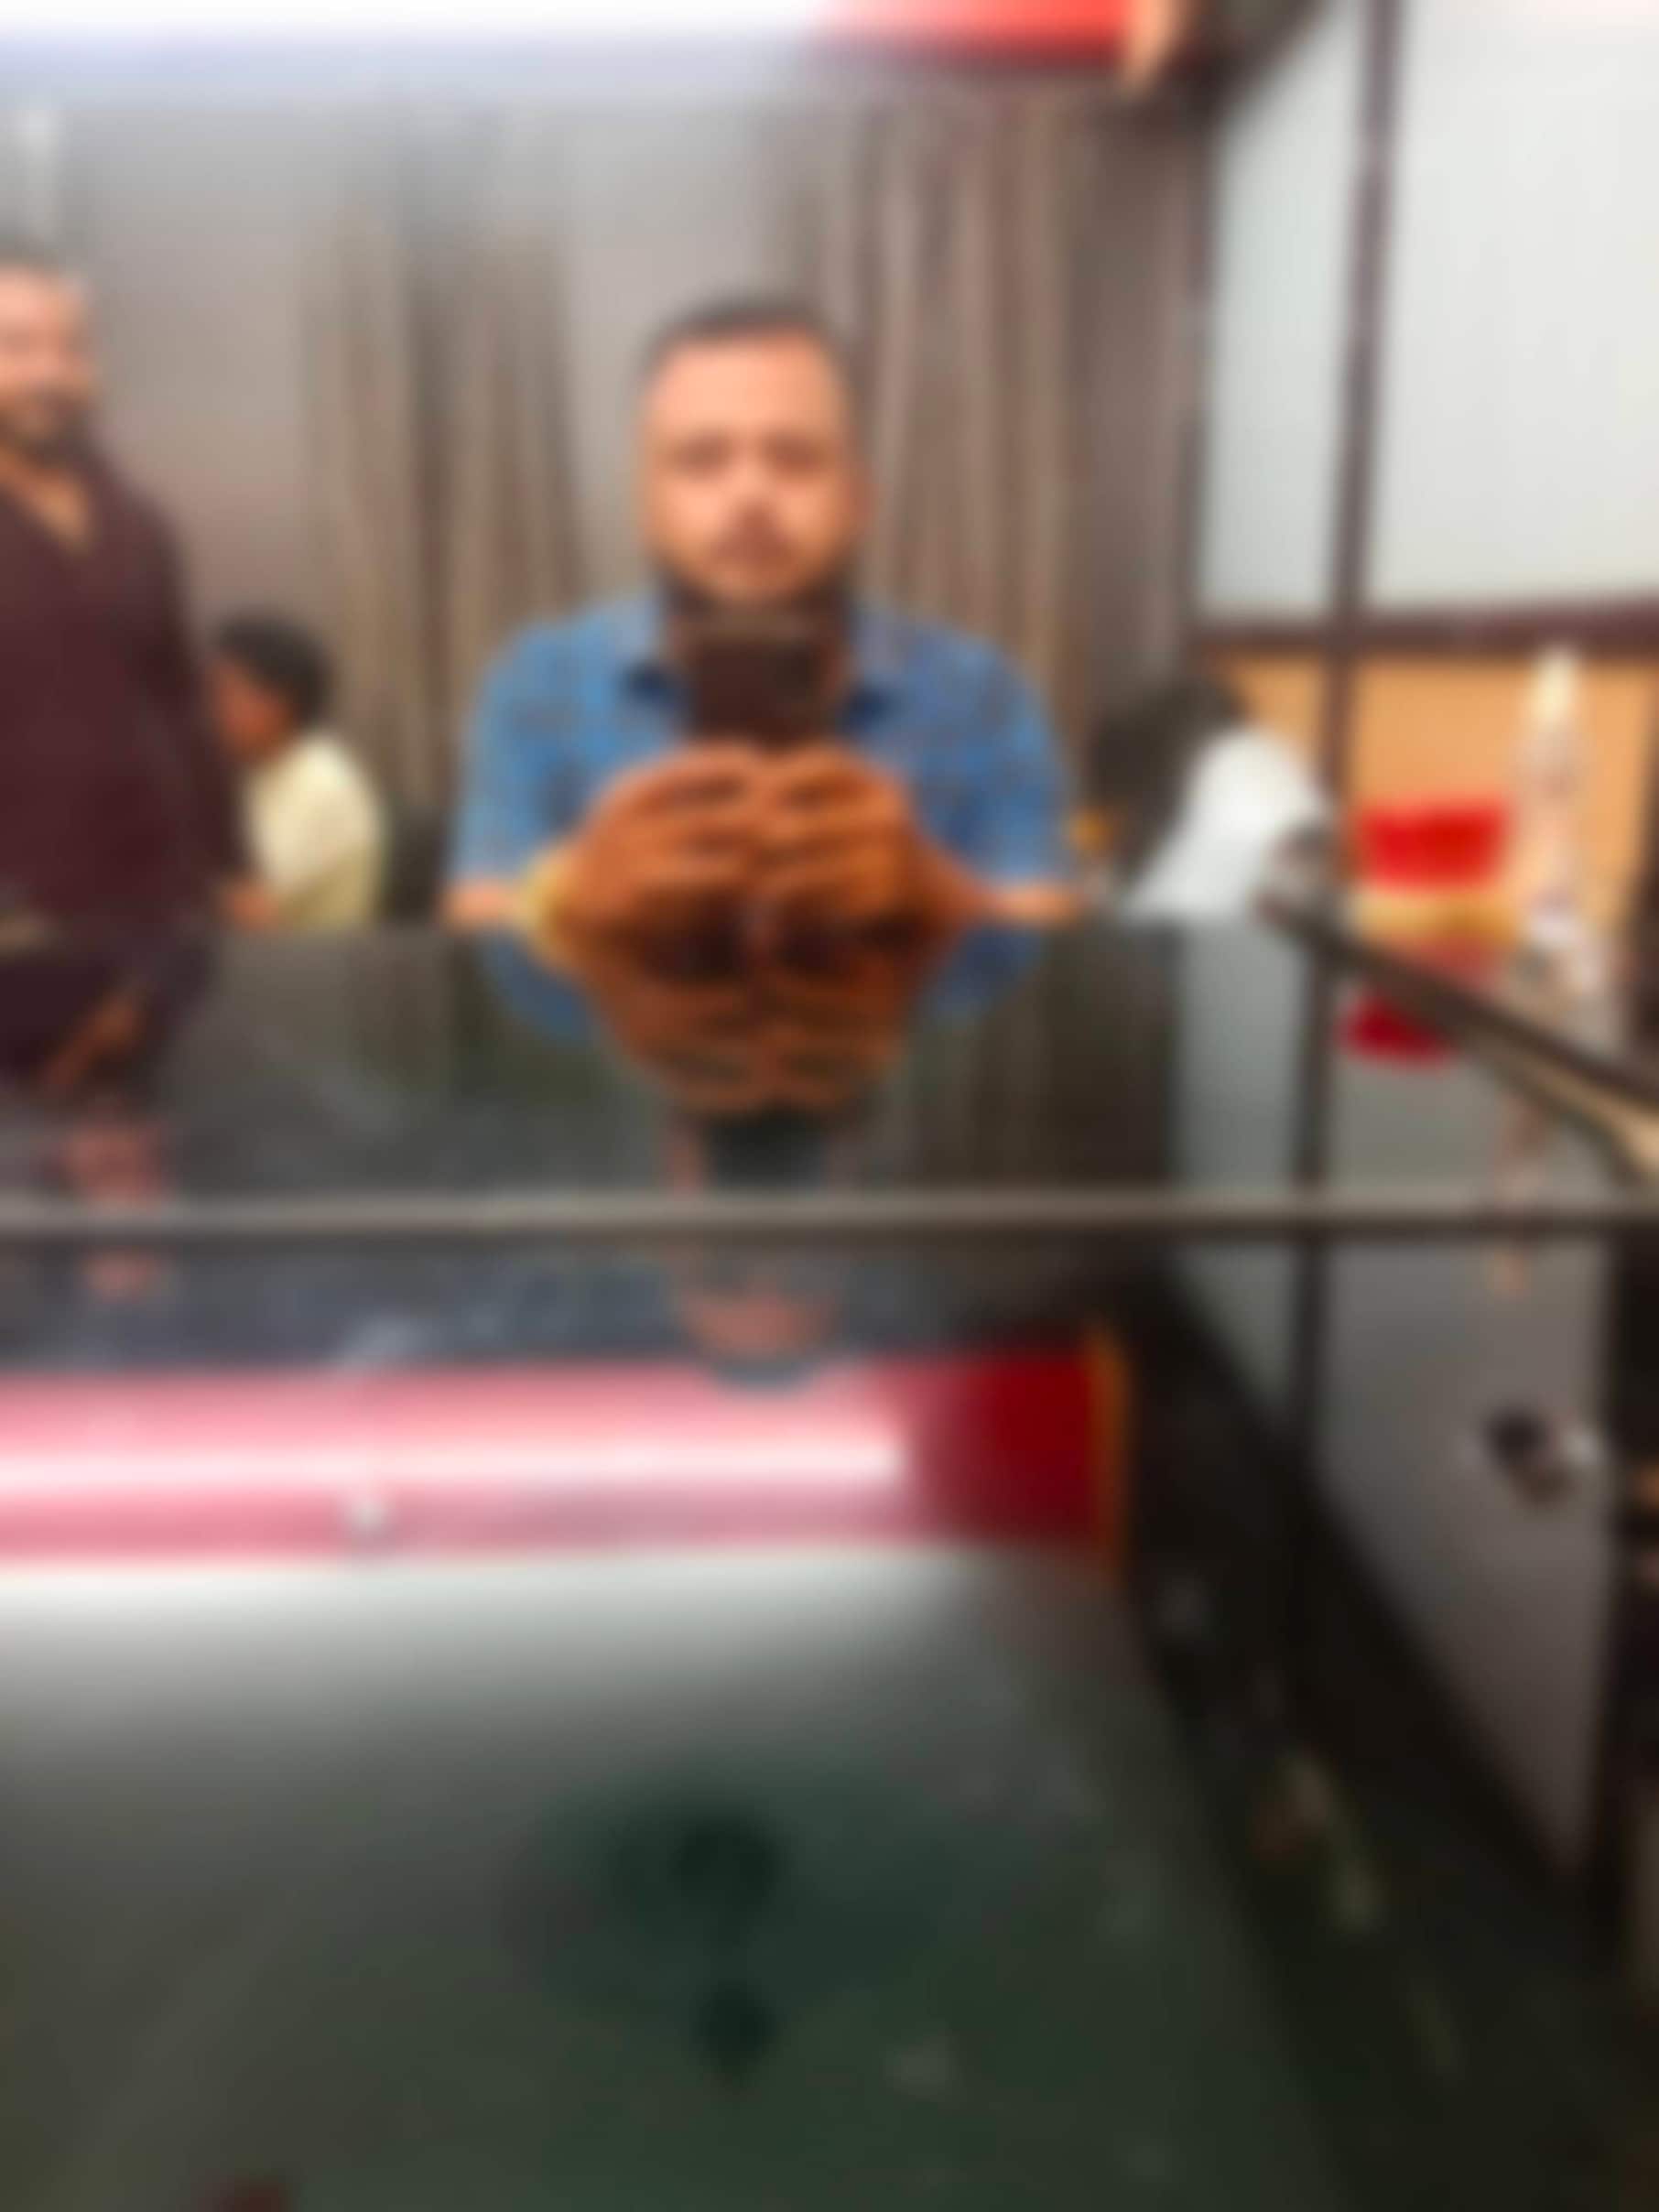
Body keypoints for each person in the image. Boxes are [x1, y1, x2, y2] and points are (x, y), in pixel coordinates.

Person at [446, 295, 1072, 949]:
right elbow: (477, 927)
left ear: (858, 501)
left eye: (796, 457)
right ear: (646, 506)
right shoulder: (540, 682)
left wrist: (933, 892)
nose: (750, 496)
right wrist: (577, 893)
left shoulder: (978, 692)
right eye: (701, 459)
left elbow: (1051, 930)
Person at [0, 233, 251, 936]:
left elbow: (181, 701)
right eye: (17, 346)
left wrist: (237, 869)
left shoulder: (136, 521)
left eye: (72, 348)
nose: (51, 373)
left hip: (160, 911)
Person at [1088, 675, 1327, 924]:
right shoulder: (1268, 759)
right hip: (1278, 922)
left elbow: (1151, 899)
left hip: (1197, 926)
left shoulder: (1205, 778)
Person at [209, 614, 385, 931]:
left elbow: (249, 907)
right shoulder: (254, 771)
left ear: (279, 703)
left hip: (311, 961)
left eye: (222, 694)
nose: (205, 710)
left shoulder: (322, 781)